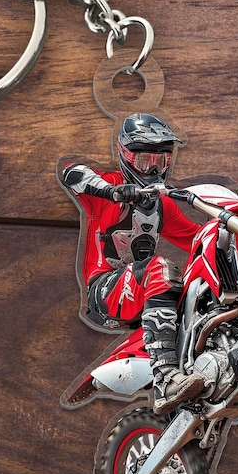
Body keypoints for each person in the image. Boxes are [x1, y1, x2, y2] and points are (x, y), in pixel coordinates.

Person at [61, 112, 205, 415]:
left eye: (160, 161)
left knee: (199, 289)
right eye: (144, 161)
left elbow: (197, 238)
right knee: (160, 267)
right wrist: (113, 192)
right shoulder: (107, 188)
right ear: (126, 157)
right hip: (104, 291)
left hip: (137, 298)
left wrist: (229, 234)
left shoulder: (163, 204)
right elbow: (70, 172)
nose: (153, 168)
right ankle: (167, 378)